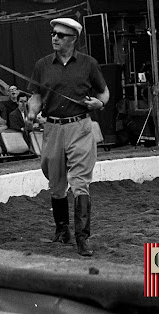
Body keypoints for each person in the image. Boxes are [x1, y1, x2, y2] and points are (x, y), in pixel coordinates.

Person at [27, 17, 109, 257]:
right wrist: (32, 112)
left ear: (73, 39)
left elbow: (104, 93)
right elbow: (36, 96)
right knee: (55, 182)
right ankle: (62, 230)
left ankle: (83, 238)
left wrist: (99, 103)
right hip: (52, 128)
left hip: (80, 127)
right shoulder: (42, 65)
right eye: (53, 34)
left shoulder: (89, 64)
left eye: (61, 35)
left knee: (80, 181)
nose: (55, 38)